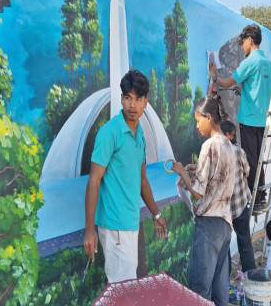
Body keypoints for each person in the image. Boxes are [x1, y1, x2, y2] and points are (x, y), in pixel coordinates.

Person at [82, 69, 168, 283]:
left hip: (130, 224)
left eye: (138, 99)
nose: (132, 105)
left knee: (124, 288)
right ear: (121, 99)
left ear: (145, 102)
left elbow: (141, 179)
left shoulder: (140, 136)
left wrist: (156, 216)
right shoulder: (109, 133)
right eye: (128, 98)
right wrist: (89, 230)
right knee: (123, 290)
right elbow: (94, 180)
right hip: (114, 228)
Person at [171, 95, 235, 306]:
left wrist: (182, 171)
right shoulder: (228, 143)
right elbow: (218, 180)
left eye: (198, 120)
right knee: (219, 290)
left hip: (208, 225)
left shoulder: (209, 145)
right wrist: (197, 170)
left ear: (209, 118)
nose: (197, 126)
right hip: (225, 224)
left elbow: (198, 192)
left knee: (199, 290)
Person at [209, 24, 271, 214]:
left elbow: (228, 81)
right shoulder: (267, 64)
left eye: (243, 43)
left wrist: (214, 77)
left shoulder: (249, 62)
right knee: (259, 160)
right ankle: (261, 197)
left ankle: (253, 200)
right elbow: (258, 87)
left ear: (250, 40)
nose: (242, 47)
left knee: (250, 161)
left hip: (249, 120)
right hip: (263, 120)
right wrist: (243, 89)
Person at [220, 120, 256, 273]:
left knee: (224, 246)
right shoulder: (238, 151)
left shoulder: (214, 153)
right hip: (241, 205)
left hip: (224, 210)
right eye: (232, 133)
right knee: (245, 242)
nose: (234, 136)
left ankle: (224, 280)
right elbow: (247, 171)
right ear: (227, 135)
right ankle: (249, 274)